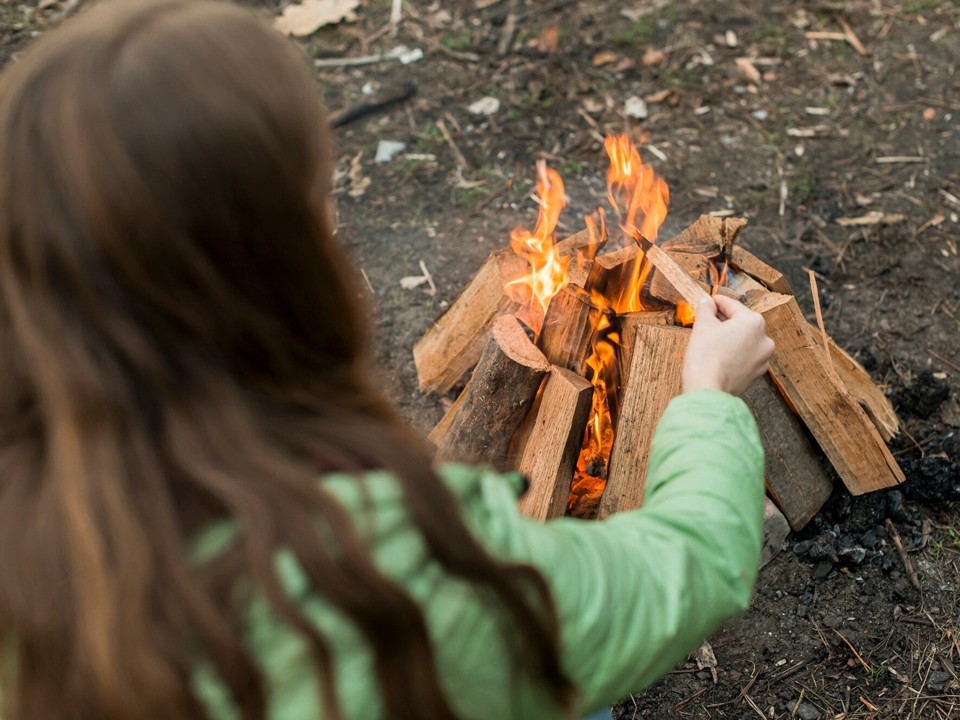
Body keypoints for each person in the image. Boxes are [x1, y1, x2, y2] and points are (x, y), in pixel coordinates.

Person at [0, 2, 775, 719]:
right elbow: (689, 567)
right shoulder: (376, 575)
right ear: (271, 262)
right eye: (313, 198)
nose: (332, 219)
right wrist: (706, 393)